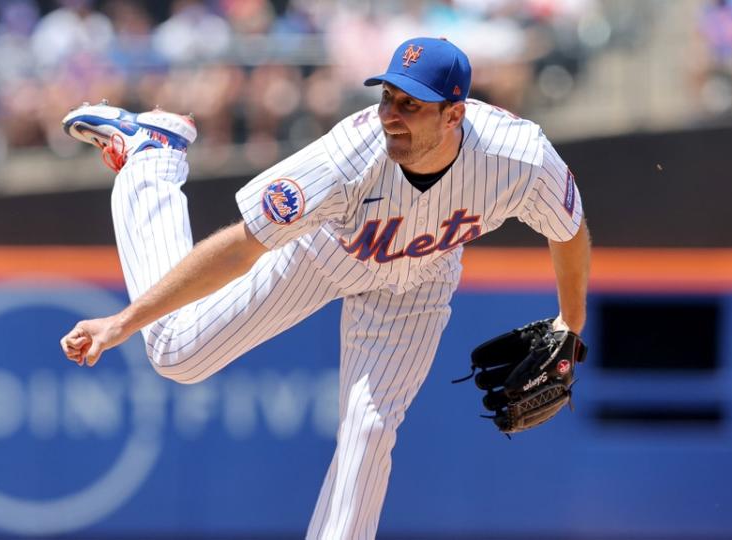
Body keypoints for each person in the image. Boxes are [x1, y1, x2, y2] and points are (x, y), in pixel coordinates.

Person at [60, 37, 590, 539]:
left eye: (411, 105)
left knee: (370, 430)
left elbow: (568, 230)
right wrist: (124, 321)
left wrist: (570, 323)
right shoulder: (347, 157)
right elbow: (242, 248)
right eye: (387, 97)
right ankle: (152, 156)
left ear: (455, 114)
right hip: (326, 254)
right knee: (175, 352)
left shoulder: (519, 158)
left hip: (420, 283)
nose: (391, 115)